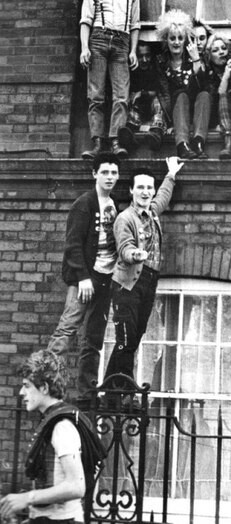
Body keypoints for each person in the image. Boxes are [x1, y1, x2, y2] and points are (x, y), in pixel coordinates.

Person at [48, 152, 120, 409]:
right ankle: (50, 387)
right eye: (105, 172)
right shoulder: (84, 204)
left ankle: (86, 395)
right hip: (85, 280)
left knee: (94, 338)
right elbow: (73, 245)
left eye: (114, 172)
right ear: (94, 174)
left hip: (106, 277)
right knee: (67, 329)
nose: (109, 177)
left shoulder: (114, 206)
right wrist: (83, 278)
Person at [0, 350, 105, 524]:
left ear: (44, 388)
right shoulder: (52, 420)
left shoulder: (62, 426)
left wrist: (27, 498)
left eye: (26, 386)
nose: (21, 392)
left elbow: (76, 486)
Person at [103, 156, 184, 381]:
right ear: (131, 190)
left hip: (149, 282)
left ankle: (112, 390)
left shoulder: (153, 213)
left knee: (134, 338)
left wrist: (171, 175)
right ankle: (123, 390)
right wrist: (135, 254)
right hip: (128, 285)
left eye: (149, 187)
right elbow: (124, 247)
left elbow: (163, 198)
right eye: (140, 187)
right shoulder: (125, 218)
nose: (146, 192)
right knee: (126, 340)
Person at [80, 0, 141, 160]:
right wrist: (84, 47)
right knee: (95, 94)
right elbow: (85, 20)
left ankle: (116, 141)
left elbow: (135, 25)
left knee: (121, 95)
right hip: (98, 39)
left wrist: (133, 51)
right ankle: (97, 142)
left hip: (122, 43)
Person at [156, 9, 211, 160]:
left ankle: (198, 142)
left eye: (180, 38)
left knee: (205, 95)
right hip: (176, 111)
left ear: (185, 39)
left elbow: (203, 87)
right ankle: (182, 145)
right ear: (166, 39)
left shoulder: (193, 57)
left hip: (196, 111)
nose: (176, 42)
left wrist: (195, 60)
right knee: (180, 95)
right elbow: (164, 94)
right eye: (172, 38)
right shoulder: (161, 62)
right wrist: (169, 122)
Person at [118, 41, 170, 153]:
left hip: (154, 108)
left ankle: (156, 134)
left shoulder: (157, 69)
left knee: (156, 102)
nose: (145, 60)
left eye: (147, 56)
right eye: (141, 56)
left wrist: (143, 94)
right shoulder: (131, 71)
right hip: (139, 110)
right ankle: (129, 134)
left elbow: (162, 93)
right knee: (134, 104)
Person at [206, 33, 231, 159]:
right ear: (209, 56)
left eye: (223, 48)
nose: (221, 52)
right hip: (218, 117)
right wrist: (226, 75)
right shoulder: (208, 72)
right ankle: (228, 144)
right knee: (224, 97)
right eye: (215, 50)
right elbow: (220, 95)